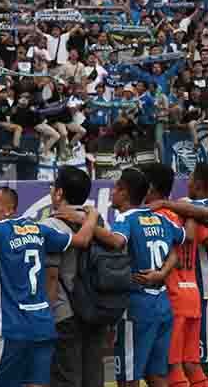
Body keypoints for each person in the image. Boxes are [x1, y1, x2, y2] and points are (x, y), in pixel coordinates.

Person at [0, 187, 99, 387]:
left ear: (9, 210)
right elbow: (83, 239)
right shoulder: (38, 228)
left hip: (12, 330)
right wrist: (92, 215)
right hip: (43, 327)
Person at [58, 168, 187, 387]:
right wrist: (163, 272)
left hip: (137, 307)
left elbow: (117, 241)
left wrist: (85, 219)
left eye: (115, 188)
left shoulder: (126, 217)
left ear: (124, 192)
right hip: (163, 305)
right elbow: (180, 243)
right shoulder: (160, 218)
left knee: (128, 377)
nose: (111, 193)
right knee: (157, 375)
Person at [41, 166, 108, 387]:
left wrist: (46, 316)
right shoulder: (98, 222)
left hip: (64, 312)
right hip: (97, 308)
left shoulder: (50, 224)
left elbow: (51, 277)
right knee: (93, 376)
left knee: (65, 378)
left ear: (59, 193)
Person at [143, 163, 208, 387]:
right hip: (193, 295)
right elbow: (193, 236)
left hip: (173, 298)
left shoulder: (155, 216)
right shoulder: (188, 214)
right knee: (193, 364)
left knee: (172, 366)